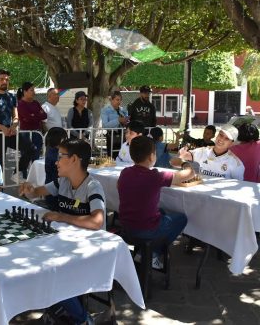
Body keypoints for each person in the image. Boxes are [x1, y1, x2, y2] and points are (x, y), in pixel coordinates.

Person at [20, 138, 104, 325]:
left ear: (74, 159)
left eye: (61, 157)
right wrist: (29, 188)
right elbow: (37, 192)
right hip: (68, 245)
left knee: (52, 275)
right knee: (38, 264)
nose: (56, 161)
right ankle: (57, 309)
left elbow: (97, 221)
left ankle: (82, 318)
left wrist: (62, 217)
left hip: (91, 252)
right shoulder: (62, 182)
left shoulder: (92, 186)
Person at [118, 136, 195, 268]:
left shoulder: (125, 172)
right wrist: (183, 163)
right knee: (181, 218)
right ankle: (153, 253)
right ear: (151, 156)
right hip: (145, 230)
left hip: (125, 227)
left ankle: (144, 252)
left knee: (162, 211)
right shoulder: (154, 176)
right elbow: (190, 174)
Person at [0, 69, 35, 182]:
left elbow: (15, 116)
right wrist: (1, 127)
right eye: (1, 79)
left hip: (10, 133)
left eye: (6, 79)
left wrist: (14, 125)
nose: (4, 81)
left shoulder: (11, 97)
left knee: (31, 148)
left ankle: (17, 173)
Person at [172, 124, 244, 180]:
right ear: (217, 135)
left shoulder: (236, 164)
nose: (221, 139)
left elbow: (238, 186)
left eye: (227, 138)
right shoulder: (203, 151)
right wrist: (183, 162)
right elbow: (177, 158)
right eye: (221, 135)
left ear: (232, 143)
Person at [16, 82, 47, 161]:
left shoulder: (36, 103)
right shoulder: (21, 104)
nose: (34, 92)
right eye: (31, 90)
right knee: (25, 156)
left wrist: (34, 115)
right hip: (25, 134)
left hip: (37, 133)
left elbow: (44, 115)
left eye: (34, 90)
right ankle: (25, 173)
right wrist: (37, 115)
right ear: (25, 92)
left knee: (36, 156)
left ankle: (34, 173)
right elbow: (28, 118)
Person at [44, 127, 68, 211]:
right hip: (53, 190)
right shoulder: (53, 152)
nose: (66, 140)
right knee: (55, 212)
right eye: (65, 139)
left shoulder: (53, 149)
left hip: (55, 188)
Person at [100, 91, 129, 158]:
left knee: (123, 156)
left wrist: (126, 121)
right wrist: (118, 120)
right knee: (112, 157)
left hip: (123, 136)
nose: (119, 102)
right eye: (117, 100)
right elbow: (105, 125)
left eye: (120, 100)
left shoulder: (123, 110)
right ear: (111, 100)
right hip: (112, 136)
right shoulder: (105, 110)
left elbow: (126, 122)